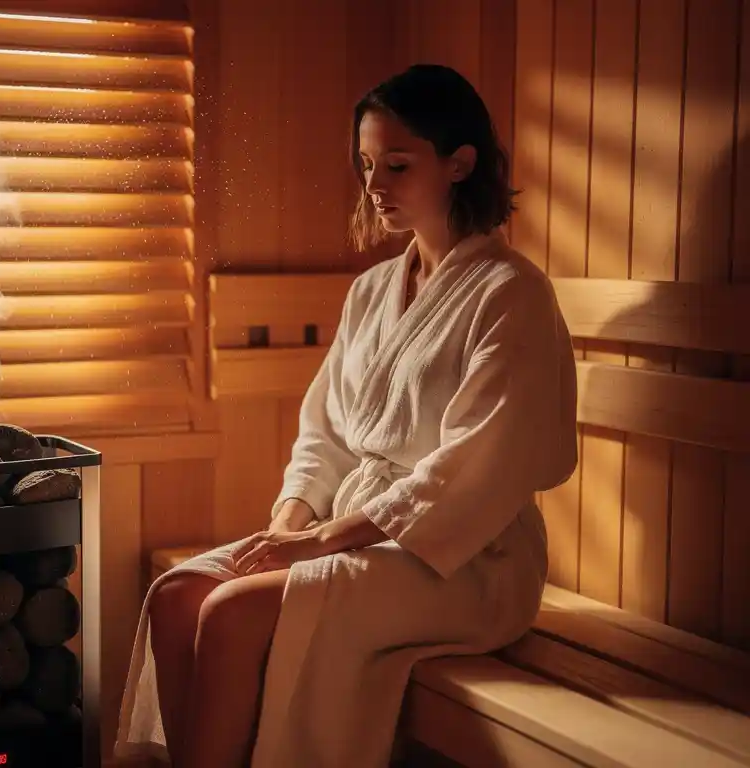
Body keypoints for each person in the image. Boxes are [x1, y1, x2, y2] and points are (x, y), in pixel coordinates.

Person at [114, 63, 579, 768]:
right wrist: (291, 522)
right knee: (178, 594)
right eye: (366, 164)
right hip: (358, 535)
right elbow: (325, 432)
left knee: (233, 610)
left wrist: (326, 538)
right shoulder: (372, 290)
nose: (375, 184)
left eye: (397, 164)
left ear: (460, 163)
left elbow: (472, 468)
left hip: (465, 560)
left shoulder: (511, 293)